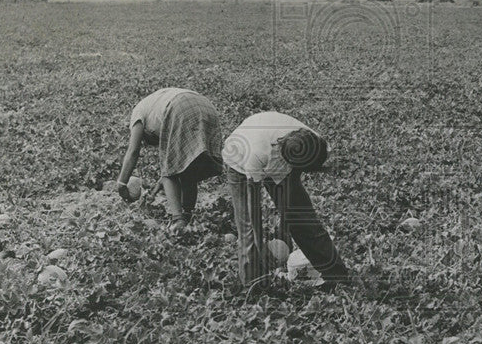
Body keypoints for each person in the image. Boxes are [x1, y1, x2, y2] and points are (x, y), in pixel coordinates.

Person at [222, 111, 350, 290]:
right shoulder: (257, 153)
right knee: (248, 229)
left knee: (303, 217)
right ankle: (254, 288)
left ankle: (337, 277)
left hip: (271, 142)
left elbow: (293, 196)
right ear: (286, 158)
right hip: (239, 160)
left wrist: (287, 226)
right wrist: (261, 246)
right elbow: (254, 207)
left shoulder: (316, 143)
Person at [116, 88, 223, 236]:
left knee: (168, 170)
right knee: (189, 168)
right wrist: (161, 183)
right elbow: (179, 165)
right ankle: (187, 215)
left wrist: (122, 183)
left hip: (179, 107)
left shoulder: (137, 115)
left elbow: (133, 151)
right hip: (206, 106)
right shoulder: (154, 105)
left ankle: (178, 221)